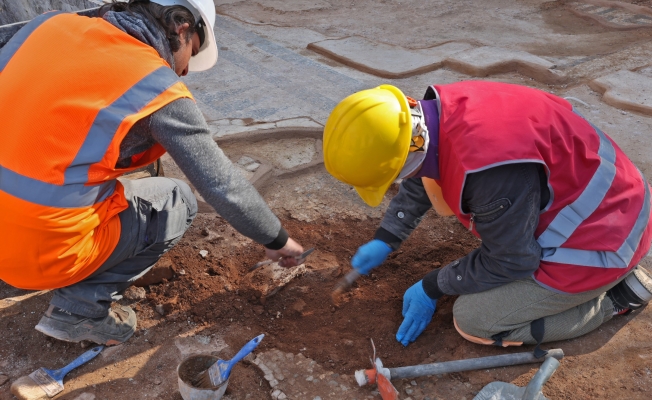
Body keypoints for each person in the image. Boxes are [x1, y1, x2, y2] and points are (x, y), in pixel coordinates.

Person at [0, 0, 304, 346]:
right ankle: (78, 310)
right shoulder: (152, 85)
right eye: (194, 50)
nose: (187, 70)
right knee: (178, 200)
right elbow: (222, 184)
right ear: (182, 27)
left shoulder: (47, 27)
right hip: (37, 253)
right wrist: (277, 240)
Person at [323, 82, 652, 352]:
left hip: (604, 239)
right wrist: (388, 235)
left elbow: (514, 260)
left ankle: (615, 299)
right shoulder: (436, 115)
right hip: (609, 200)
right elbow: (423, 166)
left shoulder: (489, 174)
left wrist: (432, 286)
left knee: (475, 320)